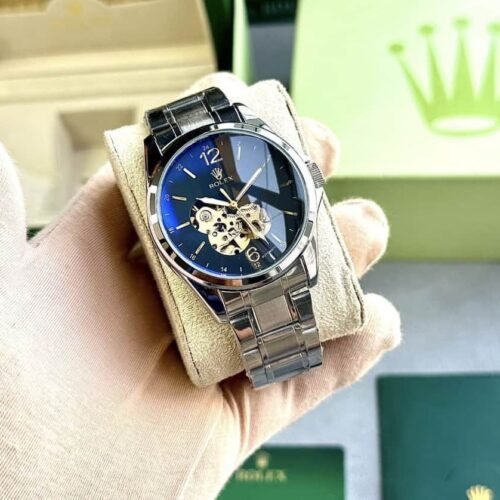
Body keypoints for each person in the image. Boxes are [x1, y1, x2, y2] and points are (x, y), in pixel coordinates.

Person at [0, 82, 400, 499]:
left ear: (308, 179)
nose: (231, 213)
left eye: (239, 209)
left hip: (281, 257)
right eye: (216, 217)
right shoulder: (175, 222)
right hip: (223, 280)